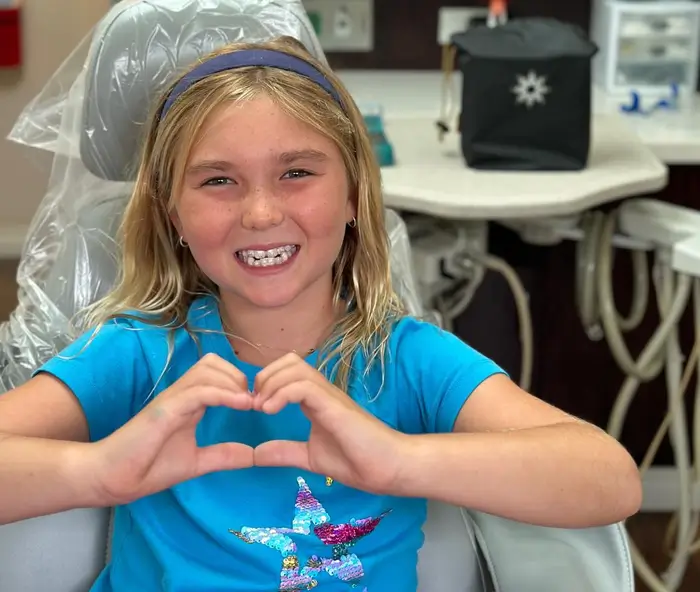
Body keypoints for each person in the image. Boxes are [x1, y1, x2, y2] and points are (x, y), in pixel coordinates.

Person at [0, 36, 641, 591]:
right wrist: (98, 472)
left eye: (297, 172)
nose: (259, 213)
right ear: (174, 216)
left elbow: (608, 479)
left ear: (356, 194)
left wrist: (400, 461)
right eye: (217, 181)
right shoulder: (141, 353)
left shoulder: (406, 360)